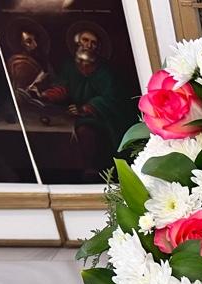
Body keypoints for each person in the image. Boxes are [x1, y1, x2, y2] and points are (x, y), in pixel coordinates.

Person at [39, 26, 134, 181]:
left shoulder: (105, 70)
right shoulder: (70, 66)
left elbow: (111, 97)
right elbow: (63, 86)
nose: (88, 45)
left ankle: (92, 170)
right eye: (85, 40)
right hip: (72, 114)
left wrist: (86, 108)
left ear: (98, 47)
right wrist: (49, 94)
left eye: (93, 43)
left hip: (102, 118)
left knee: (85, 131)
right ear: (77, 42)